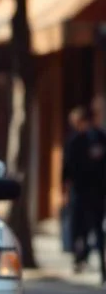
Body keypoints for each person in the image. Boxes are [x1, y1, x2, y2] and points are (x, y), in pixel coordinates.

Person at [63, 105, 106, 281]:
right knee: (83, 228)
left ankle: (97, 264)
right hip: (83, 191)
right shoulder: (75, 141)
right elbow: (67, 168)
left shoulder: (99, 138)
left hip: (93, 191)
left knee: (93, 228)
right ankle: (82, 257)